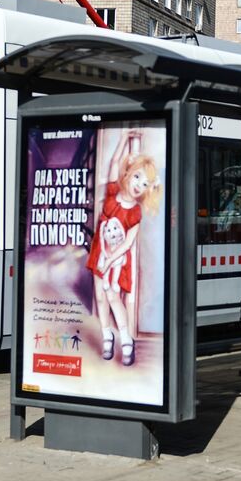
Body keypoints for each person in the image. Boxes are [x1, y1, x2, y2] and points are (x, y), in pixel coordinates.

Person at [86, 134, 162, 368]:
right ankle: (107, 336)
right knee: (100, 295)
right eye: (137, 177)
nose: (139, 185)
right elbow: (113, 163)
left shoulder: (136, 212)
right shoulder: (112, 191)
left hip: (118, 260)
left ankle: (126, 339)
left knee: (112, 296)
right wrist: (121, 140)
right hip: (100, 250)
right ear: (128, 173)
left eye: (145, 184)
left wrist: (109, 261)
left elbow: (128, 243)